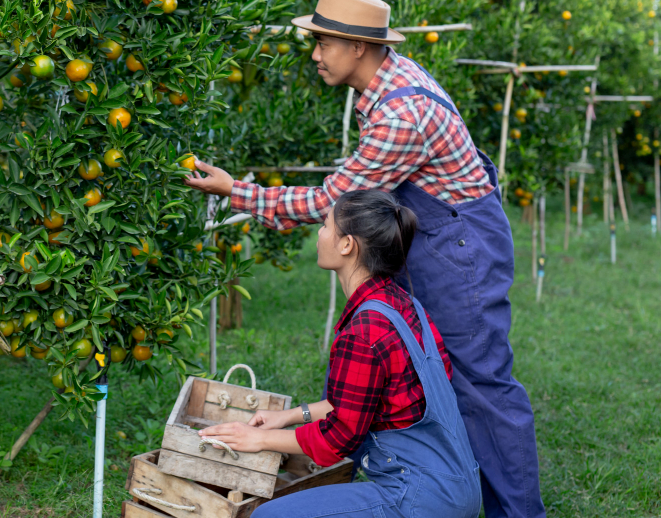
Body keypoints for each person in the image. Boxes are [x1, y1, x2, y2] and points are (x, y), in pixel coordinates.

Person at [186, 0, 544, 518]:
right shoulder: (390, 83)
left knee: (482, 384)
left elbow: (335, 202)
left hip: (458, 245)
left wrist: (237, 192)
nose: (314, 53)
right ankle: (441, 486)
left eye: (323, 41)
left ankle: (515, 513)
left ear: (357, 47)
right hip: (440, 234)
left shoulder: (400, 113)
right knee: (423, 374)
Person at [200, 190, 481, 518]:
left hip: (417, 497)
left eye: (326, 226)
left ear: (347, 244)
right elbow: (360, 403)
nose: (319, 234)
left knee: (267, 516)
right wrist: (290, 416)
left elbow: (338, 440)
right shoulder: (405, 305)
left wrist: (259, 439)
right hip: (459, 487)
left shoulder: (364, 330)